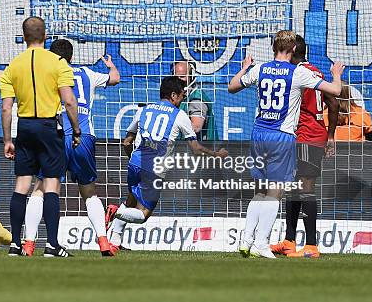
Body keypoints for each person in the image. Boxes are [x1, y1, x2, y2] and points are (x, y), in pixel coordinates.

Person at [228, 30, 344, 259]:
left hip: (258, 133)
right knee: (276, 192)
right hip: (282, 136)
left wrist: (245, 67)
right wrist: (336, 74)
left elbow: (232, 87)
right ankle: (262, 243)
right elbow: (336, 92)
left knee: (259, 191)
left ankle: (246, 239)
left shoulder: (260, 68)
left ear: (273, 48)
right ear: (292, 50)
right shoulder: (299, 72)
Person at [21, 39, 120, 257]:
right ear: (72, 57)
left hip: (56, 135)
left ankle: (28, 243)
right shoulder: (87, 73)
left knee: (39, 190)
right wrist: (111, 65)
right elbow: (115, 78)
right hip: (84, 136)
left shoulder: (47, 72)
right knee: (89, 192)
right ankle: (103, 241)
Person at [106, 76, 227, 251]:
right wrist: (216, 154)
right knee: (143, 215)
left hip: (135, 162)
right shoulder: (179, 115)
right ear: (173, 95)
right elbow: (195, 148)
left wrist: (132, 159)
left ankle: (115, 241)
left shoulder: (143, 110)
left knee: (131, 199)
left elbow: (127, 142)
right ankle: (114, 211)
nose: (183, 98)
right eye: (181, 95)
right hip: (154, 168)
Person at [0, 17, 81, 257]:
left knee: (22, 186)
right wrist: (76, 130)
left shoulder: (13, 65)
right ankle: (52, 245)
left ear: (24, 37)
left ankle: (15, 244)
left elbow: (6, 108)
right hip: (48, 127)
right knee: (52, 184)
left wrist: (7, 140)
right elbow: (68, 101)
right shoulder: (57, 63)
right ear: (45, 36)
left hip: (24, 126)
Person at [270, 35, 339, 259]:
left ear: (292, 50)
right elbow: (333, 104)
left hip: (306, 135)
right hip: (309, 135)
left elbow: (334, 101)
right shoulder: (315, 71)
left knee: (305, 187)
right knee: (294, 187)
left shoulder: (298, 73)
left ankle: (311, 245)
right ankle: (289, 241)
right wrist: (329, 135)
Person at [173, 60, 218, 140]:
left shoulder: (196, 99)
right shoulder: (182, 96)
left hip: (200, 150)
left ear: (191, 76)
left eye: (182, 76)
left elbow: (196, 127)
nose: (178, 80)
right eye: (176, 77)